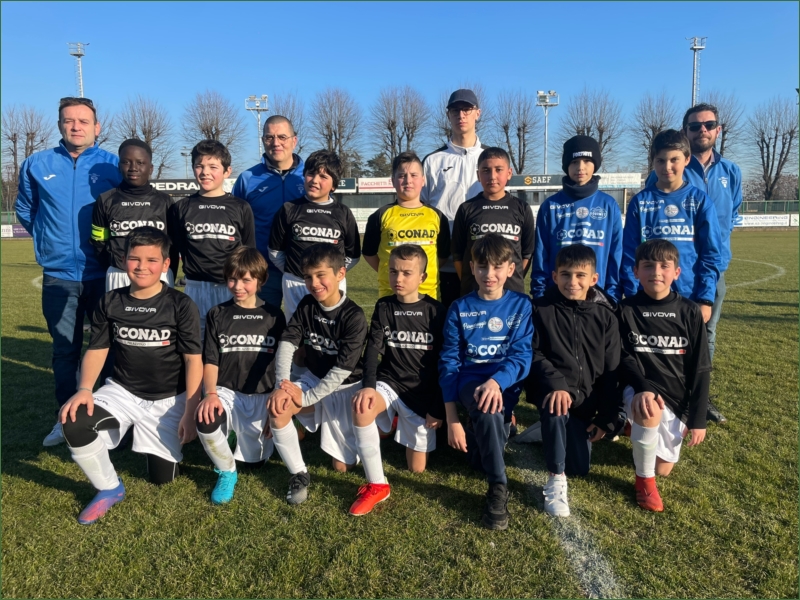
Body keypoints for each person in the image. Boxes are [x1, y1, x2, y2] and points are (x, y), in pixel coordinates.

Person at [58, 226, 202, 524]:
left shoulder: (180, 304)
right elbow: (97, 349)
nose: (141, 266)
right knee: (74, 421)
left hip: (168, 399)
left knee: (163, 479)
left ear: (166, 264)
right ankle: (109, 487)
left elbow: (193, 360)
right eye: (135, 258)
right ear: (124, 260)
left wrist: (190, 410)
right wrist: (84, 389)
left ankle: (149, 440)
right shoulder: (110, 301)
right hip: (123, 392)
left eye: (152, 260)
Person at [15, 96, 121, 447]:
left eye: (83, 121)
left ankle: (106, 415)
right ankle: (66, 419)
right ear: (60, 124)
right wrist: (48, 241)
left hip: (103, 273)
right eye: (69, 120)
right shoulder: (37, 163)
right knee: (64, 351)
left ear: (97, 127)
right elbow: (26, 210)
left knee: (108, 348)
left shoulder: (112, 165)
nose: (76, 126)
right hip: (59, 275)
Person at [645, 104, 743, 424]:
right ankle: (663, 393)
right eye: (695, 126)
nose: (702, 130)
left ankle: (700, 397)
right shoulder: (667, 169)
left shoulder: (731, 172)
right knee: (662, 335)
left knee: (705, 334)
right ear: (685, 132)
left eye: (709, 124)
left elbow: (730, 217)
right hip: (665, 274)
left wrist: (710, 271)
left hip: (710, 270)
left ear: (718, 129)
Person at [439, 234, 533, 530]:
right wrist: (452, 419)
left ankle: (488, 430)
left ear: (511, 269)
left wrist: (497, 381)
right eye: (482, 266)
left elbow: (522, 355)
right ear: (472, 268)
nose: (488, 274)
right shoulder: (459, 308)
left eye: (497, 267)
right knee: (487, 408)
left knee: (481, 455)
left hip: (505, 384)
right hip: (471, 383)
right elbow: (449, 364)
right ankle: (498, 487)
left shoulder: (521, 305)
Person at [266, 244, 368, 505]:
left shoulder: (354, 316)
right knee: (279, 407)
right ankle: (299, 473)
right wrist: (282, 384)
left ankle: (374, 426)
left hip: (345, 386)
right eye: (308, 276)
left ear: (341, 273)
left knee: (342, 467)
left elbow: (343, 370)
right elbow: (288, 342)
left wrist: (307, 398)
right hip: (314, 378)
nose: (314, 283)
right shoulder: (307, 303)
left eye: (321, 275)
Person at [349, 244, 446, 516]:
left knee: (416, 468)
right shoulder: (384, 306)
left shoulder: (437, 311)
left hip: (422, 393)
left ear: (422, 277)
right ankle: (377, 484)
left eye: (406, 273)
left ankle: (393, 422)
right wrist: (369, 387)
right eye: (393, 271)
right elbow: (372, 351)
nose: (398, 278)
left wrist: (437, 408)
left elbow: (446, 365)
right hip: (389, 383)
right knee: (363, 406)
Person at [525, 245, 621, 517]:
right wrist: (556, 384)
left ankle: (546, 430)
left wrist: (607, 419)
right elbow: (532, 352)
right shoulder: (540, 309)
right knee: (557, 409)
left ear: (594, 279)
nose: (572, 282)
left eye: (581, 275)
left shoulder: (605, 317)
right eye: (566, 275)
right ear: (555, 276)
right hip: (552, 392)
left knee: (579, 467)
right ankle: (556, 480)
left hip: (586, 400)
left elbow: (612, 370)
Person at [617, 239, 710, 511]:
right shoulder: (625, 310)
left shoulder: (689, 311)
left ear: (676, 272)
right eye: (648, 266)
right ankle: (644, 483)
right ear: (636, 271)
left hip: (676, 396)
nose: (656, 272)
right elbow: (622, 358)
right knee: (649, 407)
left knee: (664, 469)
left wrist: (698, 418)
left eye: (664, 266)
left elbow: (700, 368)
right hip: (639, 388)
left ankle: (632, 428)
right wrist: (642, 387)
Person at [196, 247, 286, 504]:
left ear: (261, 280)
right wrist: (210, 394)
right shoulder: (217, 314)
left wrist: (276, 406)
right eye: (232, 279)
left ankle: (235, 435)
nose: (238, 286)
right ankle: (227, 472)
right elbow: (211, 360)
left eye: (246, 280)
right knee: (206, 419)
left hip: (262, 395)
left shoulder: (274, 316)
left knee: (256, 463)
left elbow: (282, 363)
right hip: (226, 391)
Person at [621, 129, 722, 324]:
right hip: (647, 296)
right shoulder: (640, 202)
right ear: (653, 162)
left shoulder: (700, 201)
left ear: (687, 159)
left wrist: (705, 298)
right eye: (660, 160)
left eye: (674, 159)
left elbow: (710, 254)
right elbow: (629, 254)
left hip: (689, 296)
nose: (667, 167)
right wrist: (633, 295)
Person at [169, 140, 256, 338]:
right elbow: (177, 248)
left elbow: (249, 252)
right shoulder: (181, 207)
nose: (205, 172)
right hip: (195, 286)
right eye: (199, 166)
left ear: (227, 171)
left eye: (213, 167)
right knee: (195, 342)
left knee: (230, 341)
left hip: (230, 287)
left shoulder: (241, 207)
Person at [268, 149, 361, 319]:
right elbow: (275, 252)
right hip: (295, 284)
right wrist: (296, 273)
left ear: (334, 185)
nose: (315, 180)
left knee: (330, 330)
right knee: (295, 330)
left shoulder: (343, 213)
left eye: (323, 177)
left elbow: (352, 255)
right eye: (311, 174)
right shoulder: (289, 209)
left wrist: (331, 275)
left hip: (331, 284)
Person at [530, 135, 623, 301]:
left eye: (587, 161)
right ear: (566, 165)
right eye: (574, 162)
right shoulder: (550, 206)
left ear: (596, 164)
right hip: (556, 299)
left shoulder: (609, 205)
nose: (580, 167)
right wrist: (540, 296)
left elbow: (616, 256)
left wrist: (611, 299)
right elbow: (540, 256)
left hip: (598, 300)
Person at [421, 88, 486, 307]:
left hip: (484, 261)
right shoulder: (433, 160)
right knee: (446, 321)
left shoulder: (490, 159)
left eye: (467, 109)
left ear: (477, 113)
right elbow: (421, 207)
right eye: (455, 110)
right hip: (444, 262)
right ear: (448, 115)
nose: (461, 115)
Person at [232, 115, 306, 308]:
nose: (275, 143)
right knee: (259, 325)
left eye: (282, 137)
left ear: (294, 140)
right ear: (263, 140)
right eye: (269, 137)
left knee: (304, 324)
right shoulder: (247, 178)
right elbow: (235, 226)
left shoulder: (310, 177)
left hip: (303, 272)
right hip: (262, 271)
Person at [91, 139, 177, 291]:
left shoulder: (165, 201)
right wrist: (115, 265)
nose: (133, 168)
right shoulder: (105, 200)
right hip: (119, 274)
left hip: (158, 274)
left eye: (140, 162)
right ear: (119, 166)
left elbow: (174, 245)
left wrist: (168, 272)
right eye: (126, 162)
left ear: (150, 168)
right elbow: (98, 242)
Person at [362, 151, 450, 301]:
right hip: (390, 296)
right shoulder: (380, 215)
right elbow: (369, 253)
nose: (408, 181)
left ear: (423, 180)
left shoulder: (438, 216)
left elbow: (442, 257)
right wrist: (389, 272)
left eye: (414, 175)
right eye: (402, 176)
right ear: (393, 181)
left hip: (428, 297)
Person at [451, 147, 535, 297]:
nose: (492, 176)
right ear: (478, 175)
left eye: (498, 170)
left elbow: (527, 254)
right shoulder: (467, 208)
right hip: (475, 293)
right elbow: (457, 255)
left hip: (512, 293)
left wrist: (511, 278)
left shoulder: (522, 208)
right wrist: (470, 281)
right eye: (486, 170)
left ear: (509, 173)